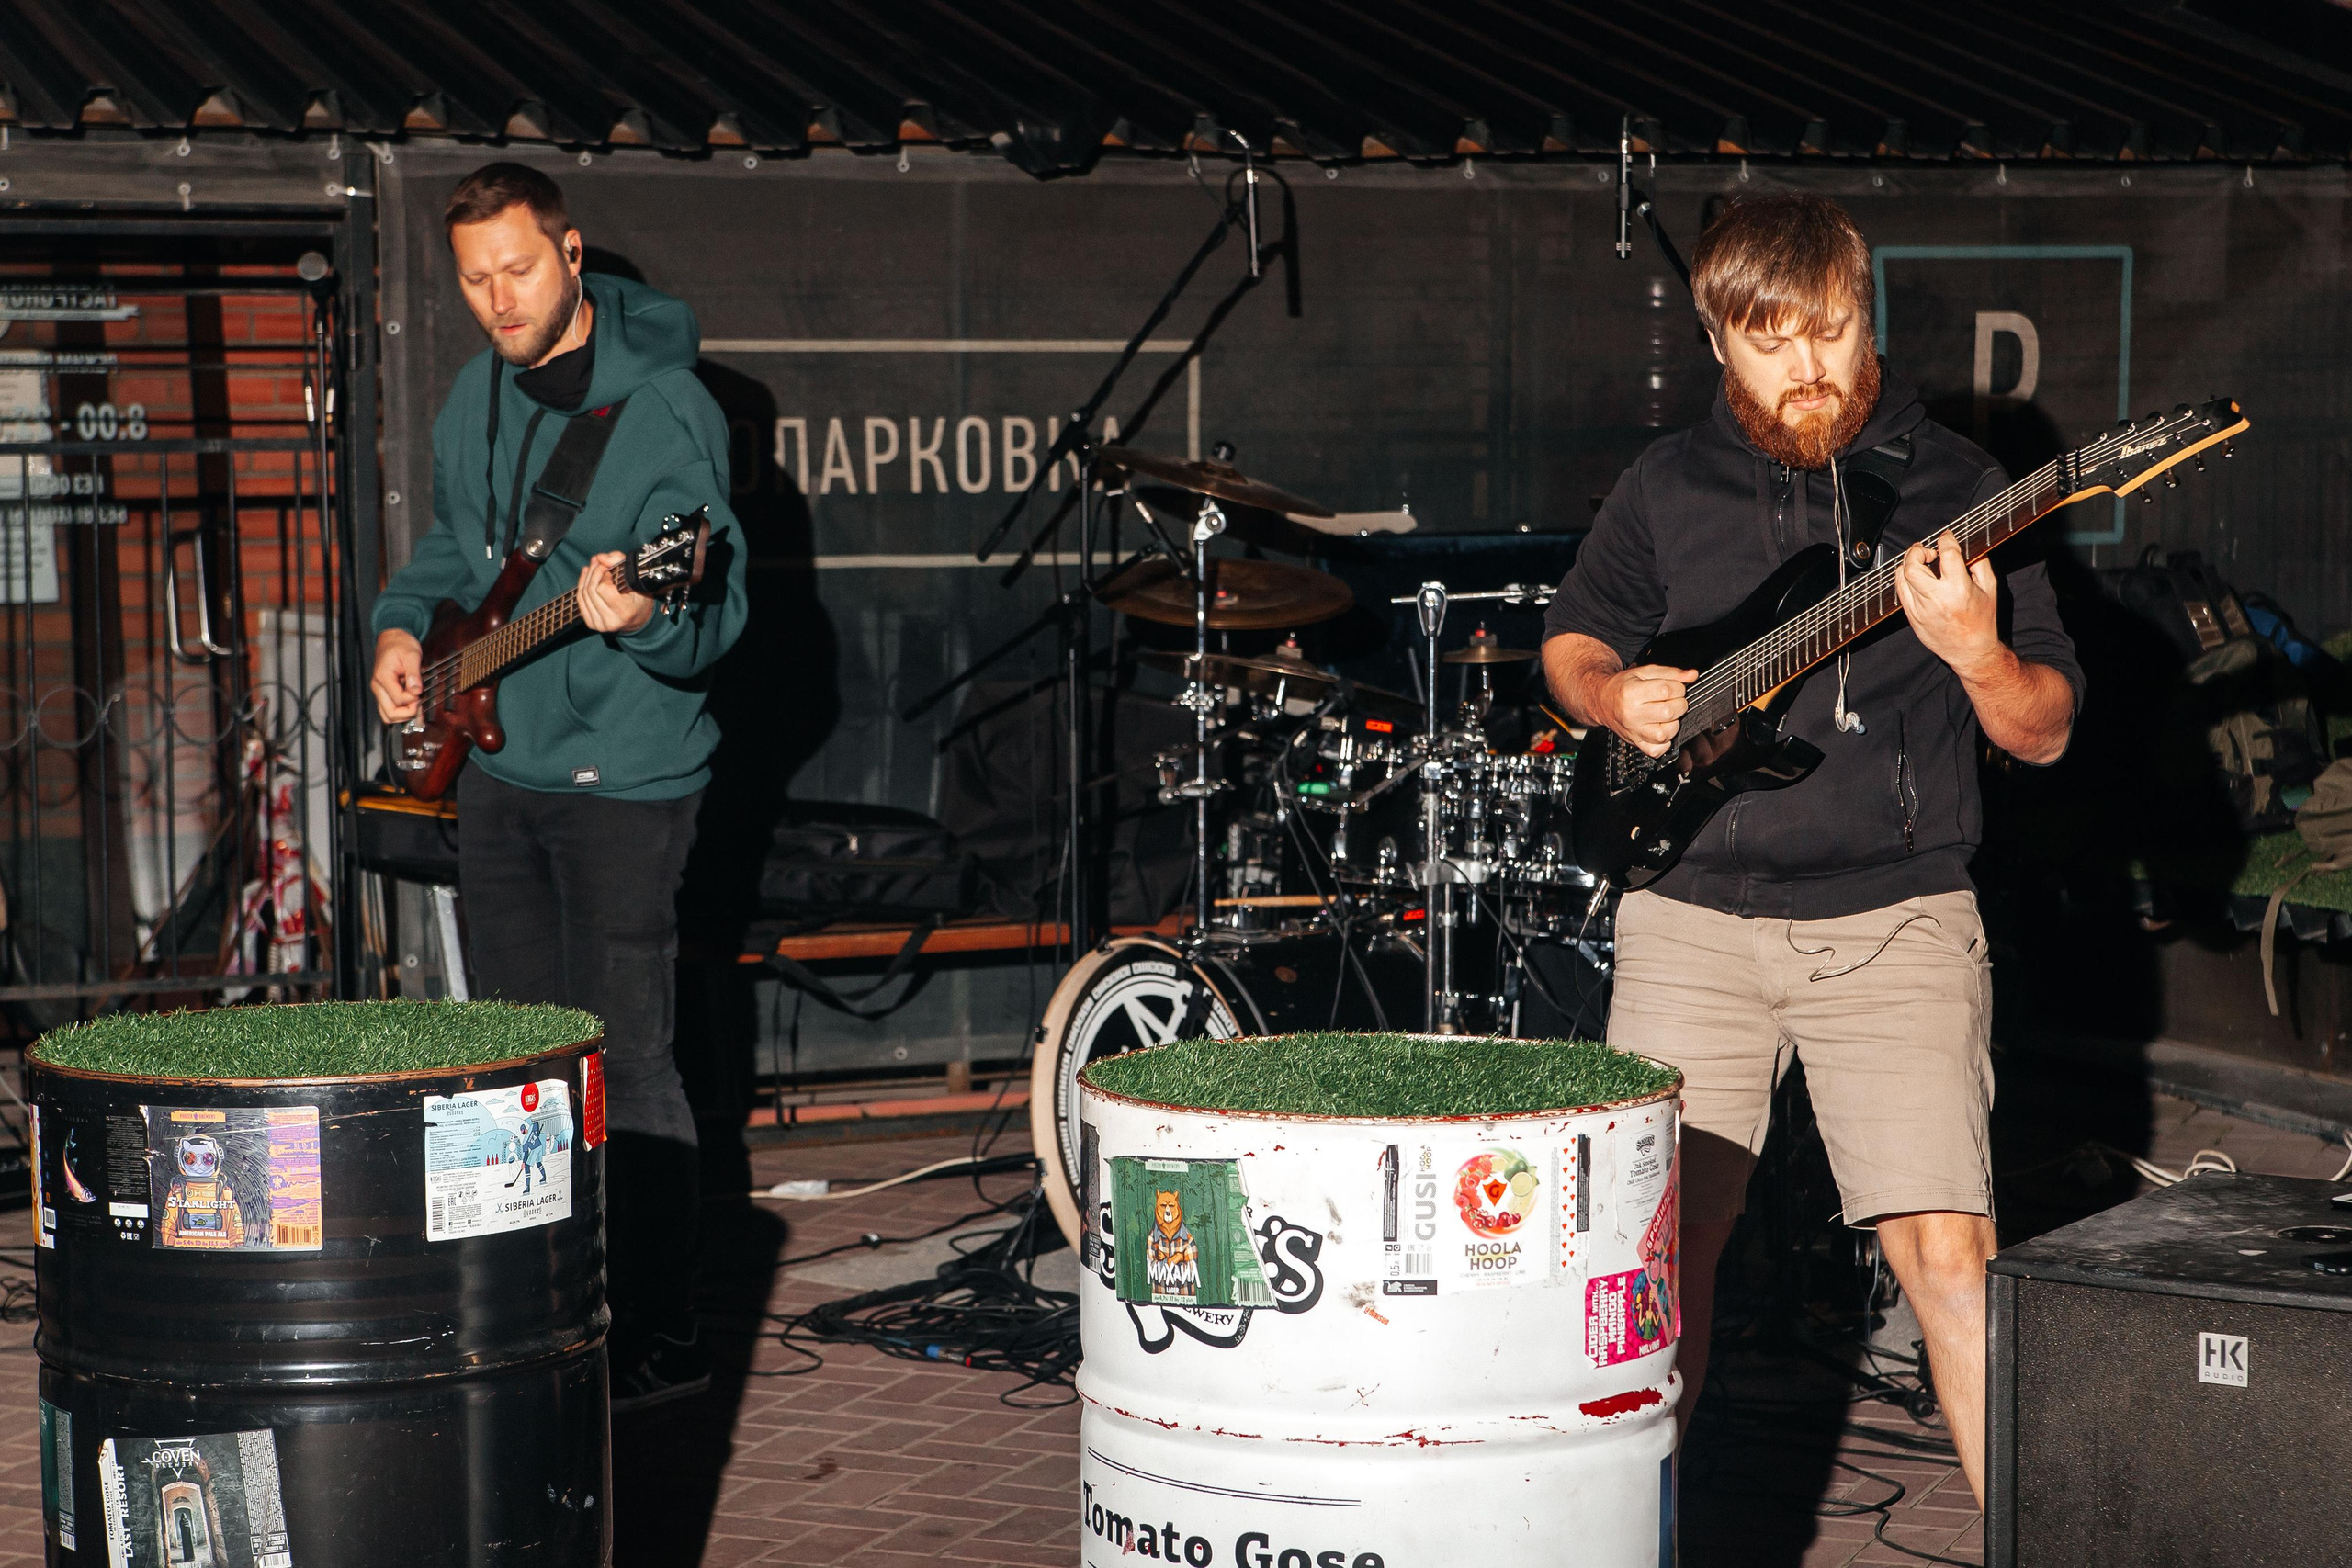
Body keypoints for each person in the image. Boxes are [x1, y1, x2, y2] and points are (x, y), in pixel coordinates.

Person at [1541, 193, 2082, 1506]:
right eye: (1772, 341)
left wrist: (1978, 655)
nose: (1811, 368)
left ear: (1865, 311)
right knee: (1661, 1262)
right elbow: (1570, 642)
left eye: (1832, 330)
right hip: (1690, 919)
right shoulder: (1667, 486)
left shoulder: (1965, 488)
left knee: (1949, 1258)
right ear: (1719, 341)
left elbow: (2048, 728)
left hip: (1895, 919)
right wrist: (1613, 697)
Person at [369, 162, 747, 1411]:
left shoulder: (668, 409)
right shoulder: (473, 392)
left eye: (519, 270)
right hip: (497, 769)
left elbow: (716, 605)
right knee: (514, 1060)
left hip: (626, 779)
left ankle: (662, 1335)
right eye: (475, 279)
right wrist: (400, 629)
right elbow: (452, 546)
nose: (499, 300)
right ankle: (539, 1316)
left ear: (572, 254)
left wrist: (644, 614)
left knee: (623, 1061)